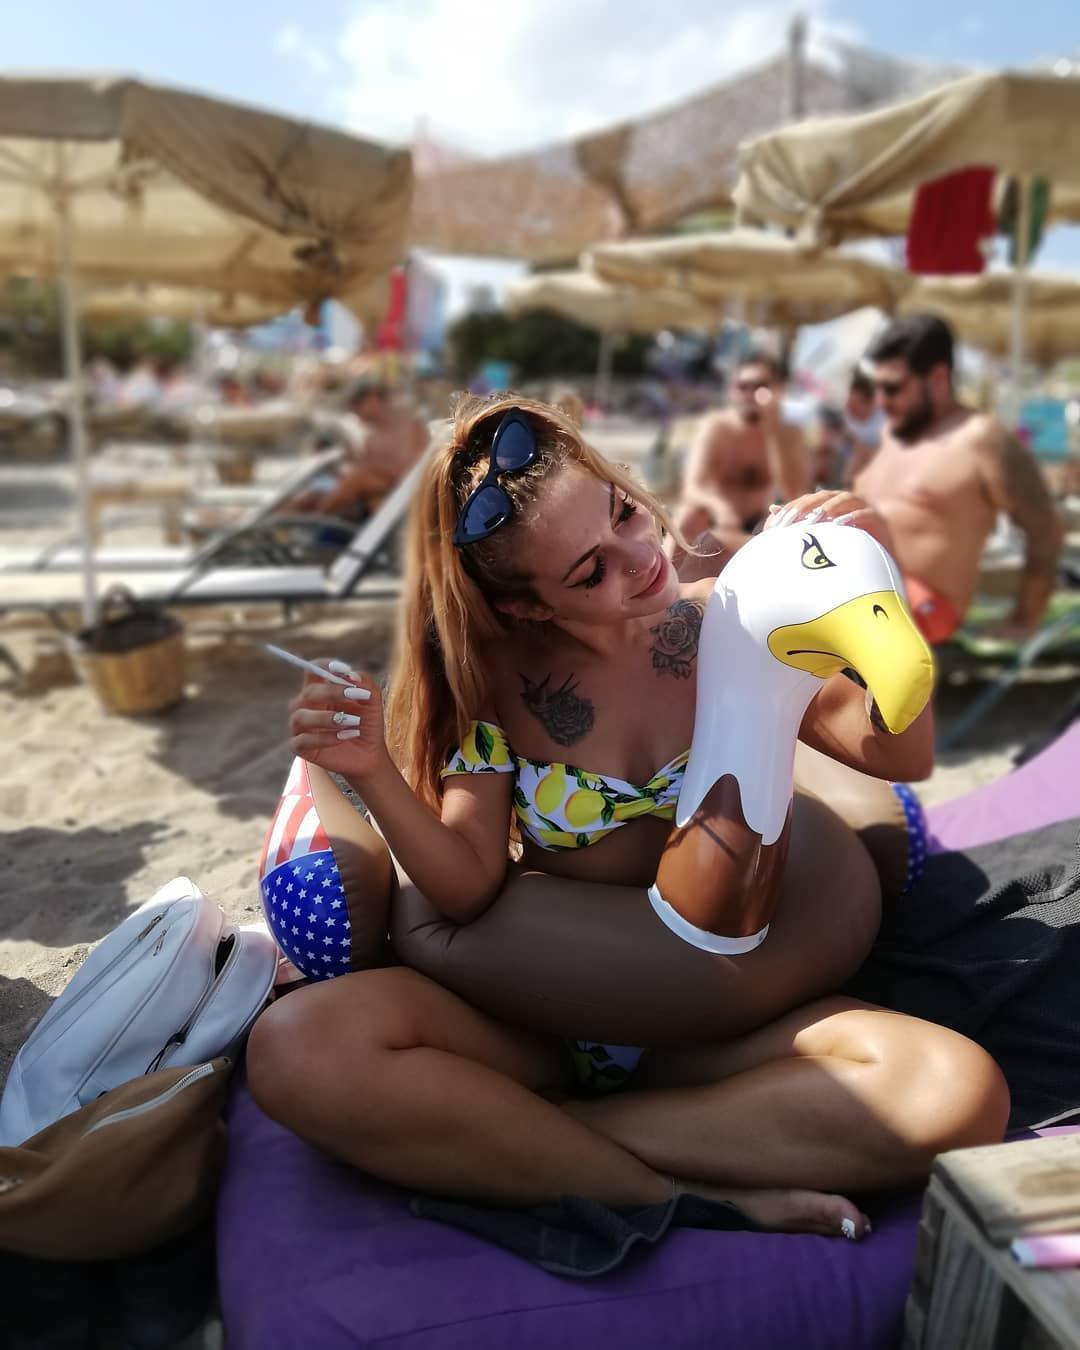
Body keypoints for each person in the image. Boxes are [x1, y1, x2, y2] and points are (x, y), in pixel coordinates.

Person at [247, 395, 1008, 1236]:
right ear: (529, 606)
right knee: (298, 1045)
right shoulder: (495, 690)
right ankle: (683, 1192)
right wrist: (373, 772)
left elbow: (898, 752)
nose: (640, 558)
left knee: (955, 1092)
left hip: (712, 1032)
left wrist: (877, 572)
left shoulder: (731, 622)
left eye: (623, 513)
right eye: (590, 571)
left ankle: (543, 1139)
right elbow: (464, 887)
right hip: (545, 1025)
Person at [853, 314, 1064, 645]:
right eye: (875, 388)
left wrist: (1024, 619)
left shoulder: (981, 439)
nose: (881, 401)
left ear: (938, 377)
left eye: (892, 388)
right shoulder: (892, 434)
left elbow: (1045, 529)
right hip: (864, 596)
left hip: (921, 610)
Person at [668, 351, 809, 556]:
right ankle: (663, 571)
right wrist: (721, 508)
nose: (750, 394)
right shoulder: (718, 428)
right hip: (718, 518)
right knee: (688, 516)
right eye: (743, 387)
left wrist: (773, 430)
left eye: (760, 386)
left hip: (760, 522)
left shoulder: (788, 433)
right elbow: (694, 487)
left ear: (778, 390)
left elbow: (795, 493)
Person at [301, 377, 429, 519]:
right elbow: (363, 464)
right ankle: (290, 522)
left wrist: (369, 469)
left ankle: (315, 519)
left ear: (372, 399)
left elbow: (408, 472)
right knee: (312, 494)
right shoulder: (372, 435)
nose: (355, 412)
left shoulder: (409, 427)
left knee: (357, 480)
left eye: (356, 405)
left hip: (401, 491)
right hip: (373, 491)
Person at [842, 369, 885, 484]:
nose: (849, 408)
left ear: (870, 404)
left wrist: (864, 451)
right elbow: (847, 436)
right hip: (856, 455)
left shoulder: (886, 419)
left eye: (854, 405)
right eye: (849, 402)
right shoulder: (847, 413)